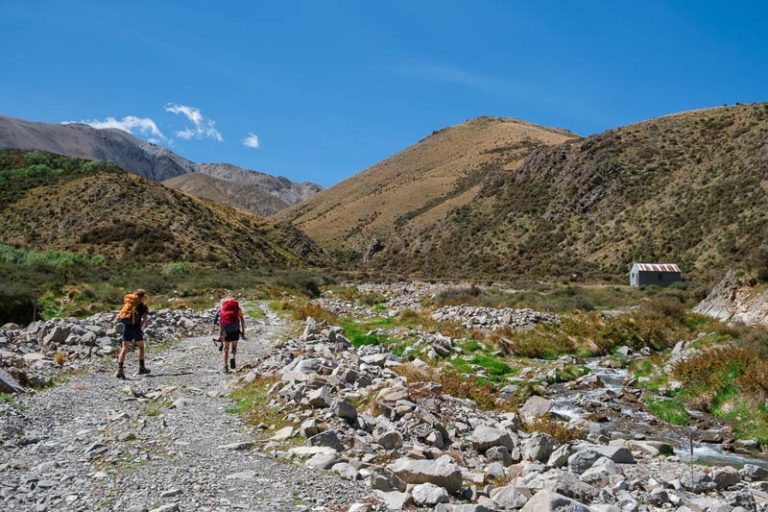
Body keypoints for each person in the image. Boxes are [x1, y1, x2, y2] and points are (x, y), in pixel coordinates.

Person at [115, 289, 151, 379]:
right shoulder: (142, 306)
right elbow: (146, 318)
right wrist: (142, 327)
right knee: (141, 347)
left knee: (124, 348)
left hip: (127, 328)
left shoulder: (129, 303)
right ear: (142, 297)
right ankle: (141, 368)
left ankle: (120, 370)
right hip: (136, 328)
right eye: (144, 297)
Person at [218, 297, 246, 373]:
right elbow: (242, 320)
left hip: (226, 331)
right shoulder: (237, 309)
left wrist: (220, 335)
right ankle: (233, 357)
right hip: (235, 331)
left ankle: (225, 366)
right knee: (234, 348)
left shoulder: (222, 310)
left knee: (225, 349)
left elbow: (221, 323)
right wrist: (243, 332)